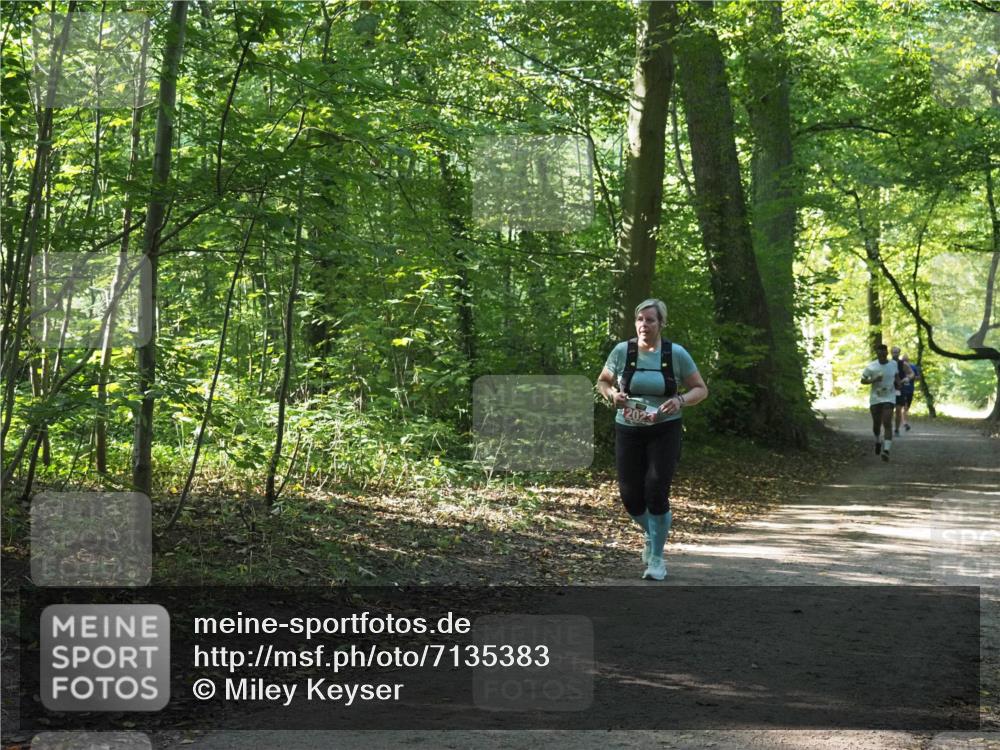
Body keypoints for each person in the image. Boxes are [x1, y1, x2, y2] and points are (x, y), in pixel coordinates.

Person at [596, 299, 708, 580]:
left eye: (650, 320)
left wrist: (680, 400)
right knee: (630, 497)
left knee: (656, 489)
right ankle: (652, 534)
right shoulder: (623, 351)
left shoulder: (675, 354)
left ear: (661, 324)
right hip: (628, 429)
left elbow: (700, 389)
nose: (644, 325)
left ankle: (656, 558)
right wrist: (613, 396)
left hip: (664, 429)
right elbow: (603, 382)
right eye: (640, 320)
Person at [861, 344, 899, 462]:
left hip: (889, 397)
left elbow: (896, 376)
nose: (882, 354)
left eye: (884, 352)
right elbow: (862, 380)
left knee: (887, 422)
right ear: (876, 353)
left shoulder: (893, 364)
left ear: (887, 353)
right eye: (879, 352)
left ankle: (886, 450)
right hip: (876, 398)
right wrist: (874, 380)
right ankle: (878, 440)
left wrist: (899, 384)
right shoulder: (871, 366)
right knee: (876, 424)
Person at [890, 346, 915, 436]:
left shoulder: (903, 364)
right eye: (893, 352)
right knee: (888, 410)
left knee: (898, 410)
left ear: (899, 353)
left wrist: (907, 378)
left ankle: (896, 429)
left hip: (900, 389)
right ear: (890, 353)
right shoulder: (888, 363)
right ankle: (888, 428)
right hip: (889, 390)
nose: (895, 354)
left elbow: (912, 373)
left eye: (897, 352)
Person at [897, 354, 920, 432]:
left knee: (906, 408)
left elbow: (918, 378)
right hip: (901, 390)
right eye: (903, 360)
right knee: (902, 406)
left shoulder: (913, 367)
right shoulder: (899, 366)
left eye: (906, 360)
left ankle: (903, 422)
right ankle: (904, 423)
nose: (905, 361)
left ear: (908, 360)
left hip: (910, 390)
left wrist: (912, 377)